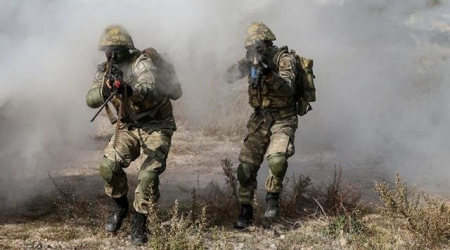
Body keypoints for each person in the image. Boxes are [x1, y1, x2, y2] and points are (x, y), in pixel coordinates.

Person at [86, 25, 182, 244]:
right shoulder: (105, 69)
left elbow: (148, 87)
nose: (111, 55)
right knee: (108, 167)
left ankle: (140, 219)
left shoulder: (141, 63)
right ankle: (121, 206)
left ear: (127, 49)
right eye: (108, 50)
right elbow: (90, 99)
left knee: (148, 175)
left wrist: (130, 91)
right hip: (128, 127)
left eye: (116, 50)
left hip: (156, 124)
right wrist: (106, 91)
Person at [223, 22, 299, 229]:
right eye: (249, 48)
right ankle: (245, 211)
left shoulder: (284, 60)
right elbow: (227, 78)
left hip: (283, 117)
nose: (253, 50)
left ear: (267, 42)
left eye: (257, 46)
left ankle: (272, 198)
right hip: (260, 119)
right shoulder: (251, 59)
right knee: (246, 168)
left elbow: (288, 91)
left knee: (277, 160)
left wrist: (267, 72)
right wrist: (245, 65)